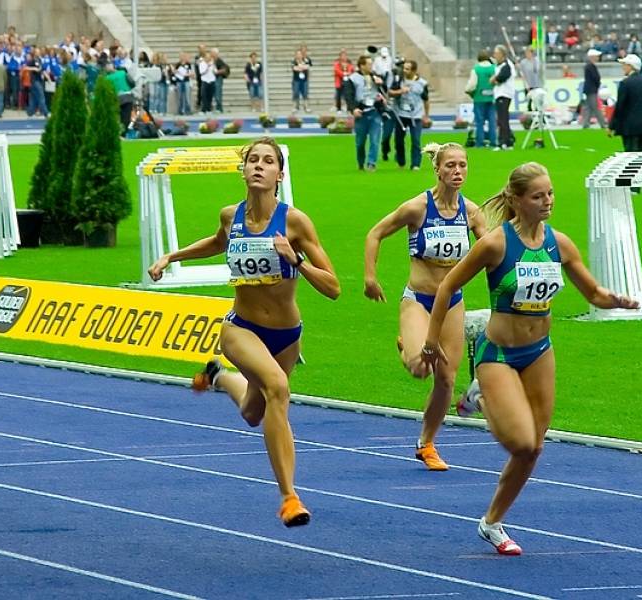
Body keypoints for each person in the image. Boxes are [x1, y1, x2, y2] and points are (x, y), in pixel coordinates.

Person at [419, 162, 639, 555]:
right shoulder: (496, 244)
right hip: (499, 353)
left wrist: (616, 300)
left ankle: (492, 523)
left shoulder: (559, 243)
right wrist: (432, 340)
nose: (547, 201)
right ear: (517, 200)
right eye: (538, 196)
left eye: (550, 193)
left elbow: (593, 293)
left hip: (539, 352)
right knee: (520, 443)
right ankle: (481, 395)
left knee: (534, 448)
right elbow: (448, 285)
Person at [148, 138, 340, 526]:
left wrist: (296, 260)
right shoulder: (229, 216)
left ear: (279, 174)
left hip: (286, 335)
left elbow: (333, 287)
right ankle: (289, 497)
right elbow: (217, 242)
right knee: (277, 390)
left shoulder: (295, 222)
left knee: (254, 412)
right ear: (244, 169)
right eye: (253, 160)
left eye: (268, 161)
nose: (259, 166)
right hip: (241, 328)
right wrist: (172, 256)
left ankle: (218, 376)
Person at [364, 142, 487, 470]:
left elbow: (491, 248)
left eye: (462, 165)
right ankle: (408, 346)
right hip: (419, 300)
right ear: (437, 169)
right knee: (420, 369)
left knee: (446, 380)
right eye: (450, 165)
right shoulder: (417, 208)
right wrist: (370, 277)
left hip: (452, 303)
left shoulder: (471, 212)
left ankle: (427, 443)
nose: (457, 171)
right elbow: (375, 233)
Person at [608, 54, 642, 193]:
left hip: (630, 125)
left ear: (631, 66)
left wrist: (611, 126)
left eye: (624, 65)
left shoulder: (625, 83)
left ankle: (634, 186)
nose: (623, 67)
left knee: (630, 155)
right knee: (641, 153)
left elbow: (620, 107)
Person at [347, 55, 386, 171]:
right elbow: (349, 96)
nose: (371, 66)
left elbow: (385, 91)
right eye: (369, 64)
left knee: (375, 140)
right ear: (362, 66)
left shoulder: (376, 77)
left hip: (374, 111)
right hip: (361, 112)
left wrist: (381, 85)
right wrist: (353, 109)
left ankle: (371, 163)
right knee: (360, 142)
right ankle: (361, 162)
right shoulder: (353, 79)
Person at [389, 60, 429, 169]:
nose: (404, 70)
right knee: (399, 140)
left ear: (414, 70)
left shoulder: (422, 83)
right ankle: (401, 162)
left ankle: (415, 164)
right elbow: (390, 92)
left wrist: (426, 115)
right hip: (401, 115)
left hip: (416, 116)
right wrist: (400, 91)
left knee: (416, 140)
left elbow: (426, 100)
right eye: (404, 68)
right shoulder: (399, 80)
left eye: (407, 69)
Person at [464, 49, 497, 149]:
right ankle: (493, 141)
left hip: (479, 98)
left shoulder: (476, 69)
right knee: (492, 121)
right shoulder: (494, 68)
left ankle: (480, 142)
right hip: (492, 98)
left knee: (479, 122)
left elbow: (472, 85)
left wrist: (467, 90)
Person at [490, 46, 515, 151]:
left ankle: (503, 142)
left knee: (502, 119)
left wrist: (494, 79)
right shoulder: (500, 65)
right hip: (501, 94)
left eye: (496, 53)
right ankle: (508, 141)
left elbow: (500, 78)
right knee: (503, 119)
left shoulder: (506, 65)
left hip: (503, 94)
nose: (495, 55)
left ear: (502, 54)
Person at [582, 49, 607, 129]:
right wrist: (598, 84)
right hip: (591, 89)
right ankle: (603, 123)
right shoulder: (590, 66)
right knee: (595, 107)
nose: (598, 58)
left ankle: (586, 124)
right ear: (592, 57)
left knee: (588, 107)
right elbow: (595, 77)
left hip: (590, 89)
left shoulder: (589, 66)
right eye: (596, 56)